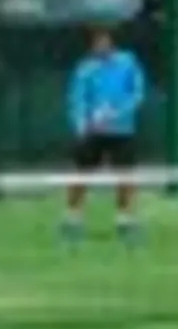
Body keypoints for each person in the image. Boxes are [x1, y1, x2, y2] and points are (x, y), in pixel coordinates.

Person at [61, 25, 146, 241]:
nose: (101, 45)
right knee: (80, 175)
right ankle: (72, 220)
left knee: (126, 177)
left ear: (111, 42)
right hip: (92, 133)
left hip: (122, 131)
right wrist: (82, 126)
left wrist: (115, 114)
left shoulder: (128, 62)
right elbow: (76, 99)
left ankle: (125, 221)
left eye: (105, 41)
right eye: (97, 42)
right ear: (91, 46)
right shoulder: (85, 69)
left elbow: (137, 94)